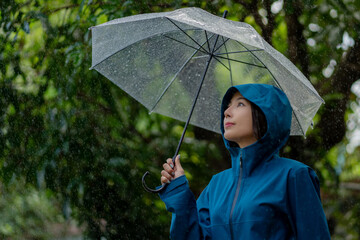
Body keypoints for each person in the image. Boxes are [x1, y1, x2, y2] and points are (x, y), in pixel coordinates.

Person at [159, 84, 331, 240]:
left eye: (240, 104)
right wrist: (179, 191)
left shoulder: (294, 175)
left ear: (265, 114)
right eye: (227, 106)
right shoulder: (217, 184)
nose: (226, 112)